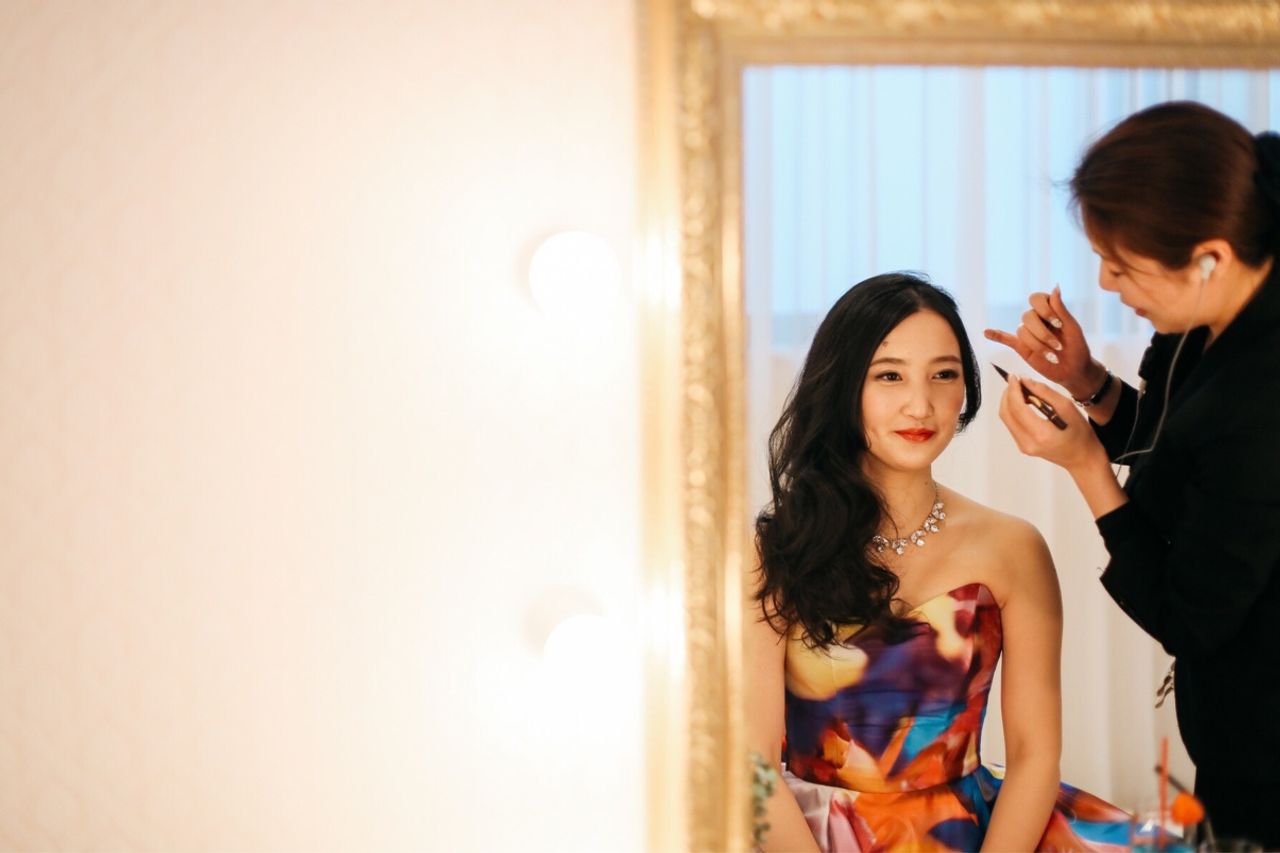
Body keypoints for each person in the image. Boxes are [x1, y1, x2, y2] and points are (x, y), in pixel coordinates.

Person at [746, 272, 1131, 852]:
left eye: (944, 375)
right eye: (890, 375)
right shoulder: (776, 550)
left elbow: (1035, 757)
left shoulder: (1012, 547)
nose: (920, 404)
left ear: (966, 391)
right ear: (843, 386)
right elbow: (752, 766)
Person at [987, 101, 1280, 848]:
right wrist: (1088, 382)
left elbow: (1191, 617)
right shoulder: (1210, 318)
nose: (1108, 282)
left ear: (1210, 257)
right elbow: (1181, 448)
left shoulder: (1263, 395)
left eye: (1122, 266)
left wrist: (1087, 467)